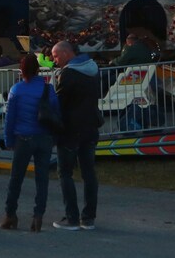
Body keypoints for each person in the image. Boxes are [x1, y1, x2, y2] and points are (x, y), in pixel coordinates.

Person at [1, 54, 59, 232]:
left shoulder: (16, 90)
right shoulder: (48, 90)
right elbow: (56, 112)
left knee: (16, 178)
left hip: (23, 137)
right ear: (37, 69)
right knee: (42, 180)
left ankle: (10, 215)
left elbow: (10, 118)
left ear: (21, 70)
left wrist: (8, 139)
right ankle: (38, 216)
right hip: (44, 138)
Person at [51, 40, 101, 231]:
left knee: (65, 172)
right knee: (89, 173)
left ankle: (71, 217)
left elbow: (60, 102)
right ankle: (88, 218)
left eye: (56, 56)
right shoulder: (93, 68)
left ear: (65, 53)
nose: (55, 61)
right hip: (90, 126)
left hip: (71, 129)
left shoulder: (68, 74)